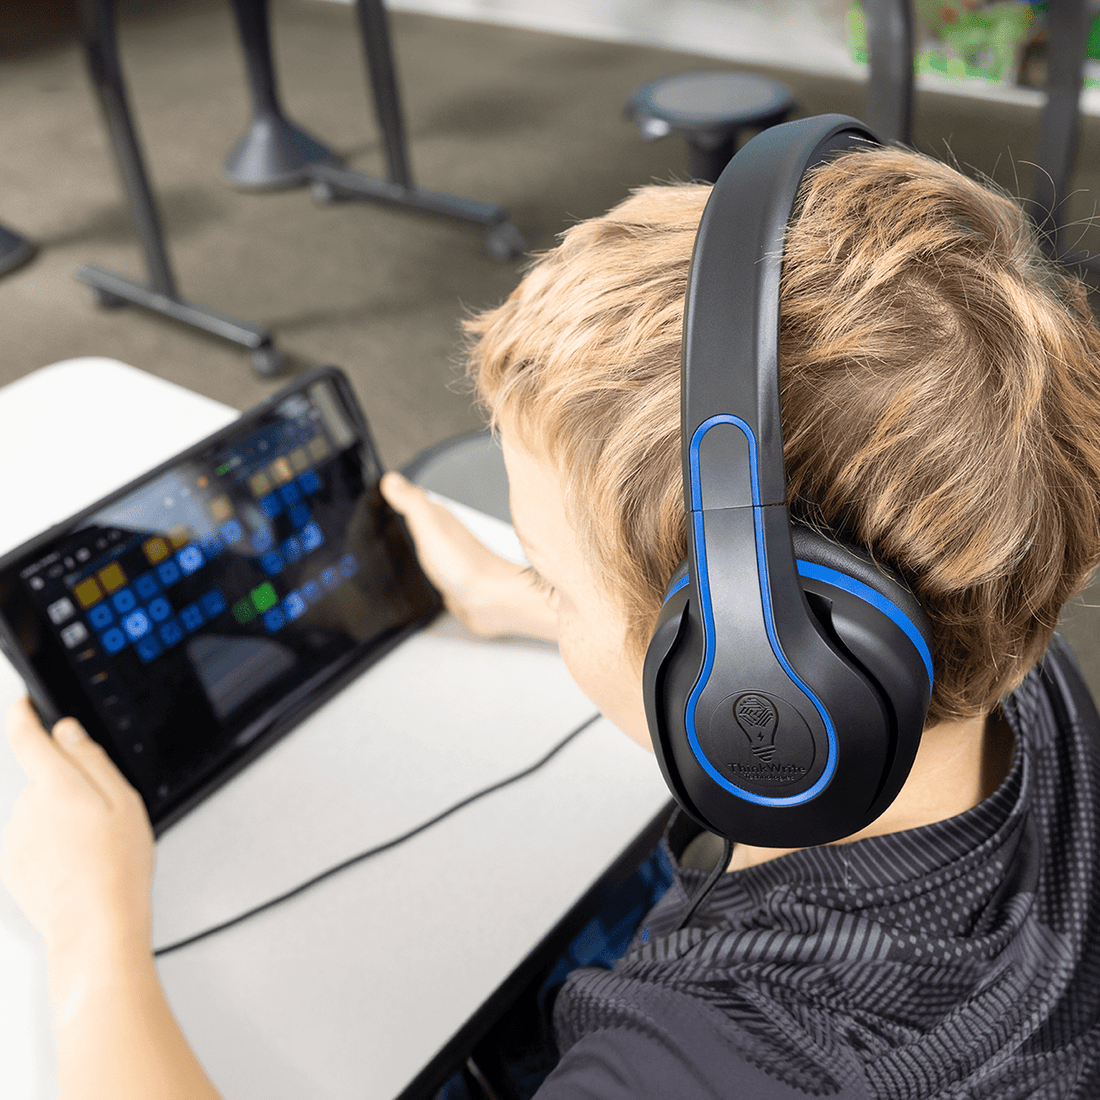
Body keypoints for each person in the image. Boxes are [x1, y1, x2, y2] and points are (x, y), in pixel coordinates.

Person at [4, 139, 1100, 1099]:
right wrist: (519, 596)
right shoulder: (1006, 642)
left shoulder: (704, 1064)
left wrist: (92, 926)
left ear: (746, 691)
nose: (544, 588)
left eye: (556, 578)